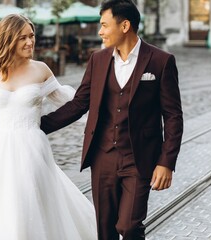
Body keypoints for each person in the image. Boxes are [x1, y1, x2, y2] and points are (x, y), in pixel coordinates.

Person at [40, 0, 184, 239]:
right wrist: (38, 125)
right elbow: (79, 104)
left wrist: (166, 162)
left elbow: (173, 117)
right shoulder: (97, 60)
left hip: (138, 158)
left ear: (125, 25)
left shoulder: (161, 61)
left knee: (129, 227)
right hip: (102, 156)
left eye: (105, 25)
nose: (100, 31)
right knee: (104, 230)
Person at [0, 14, 97, 240]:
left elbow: (70, 103)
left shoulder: (41, 70)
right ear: (8, 39)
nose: (30, 42)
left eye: (32, 36)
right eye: (22, 37)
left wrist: (102, 108)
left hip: (32, 148)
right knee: (4, 209)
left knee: (31, 203)